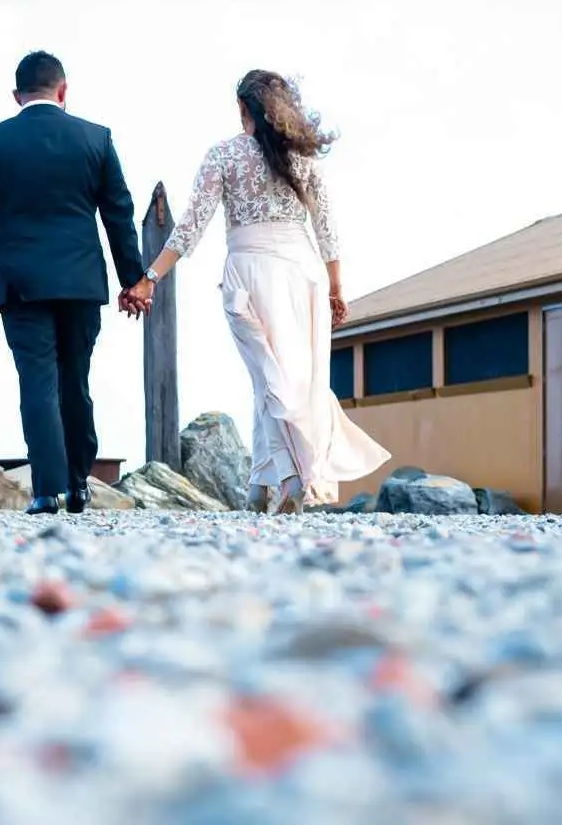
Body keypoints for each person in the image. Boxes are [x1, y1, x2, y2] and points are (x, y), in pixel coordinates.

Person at [121, 70, 387, 512]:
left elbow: (190, 226)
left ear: (243, 108)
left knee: (270, 378)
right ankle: (264, 485)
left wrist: (150, 277)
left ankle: (284, 479)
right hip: (304, 272)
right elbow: (327, 231)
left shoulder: (224, 155)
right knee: (287, 380)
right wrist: (337, 289)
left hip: (250, 271)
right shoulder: (305, 159)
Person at [0, 51, 147, 514]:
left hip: (21, 284)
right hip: (80, 282)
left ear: (17, 96)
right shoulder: (96, 139)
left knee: (38, 382)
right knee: (76, 380)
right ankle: (79, 484)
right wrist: (132, 279)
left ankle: (46, 490)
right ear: (63, 90)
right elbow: (119, 212)